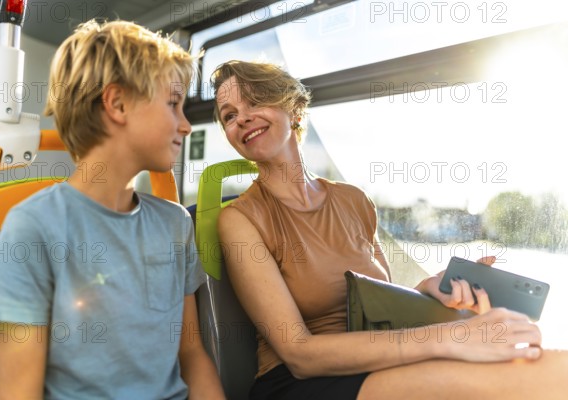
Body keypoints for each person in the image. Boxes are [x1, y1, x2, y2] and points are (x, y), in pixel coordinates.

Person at [211, 60, 568, 400]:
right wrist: (455, 337)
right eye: (229, 116)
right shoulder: (240, 219)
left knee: (548, 365)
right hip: (299, 383)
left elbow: (376, 306)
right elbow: (299, 355)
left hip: (378, 361)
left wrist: (426, 291)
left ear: (293, 109)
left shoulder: (353, 201)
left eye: (255, 101)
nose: (242, 118)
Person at [0, 20, 225, 400]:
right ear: (118, 103)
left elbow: (191, 354)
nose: (186, 125)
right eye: (173, 104)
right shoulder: (34, 228)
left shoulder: (175, 223)